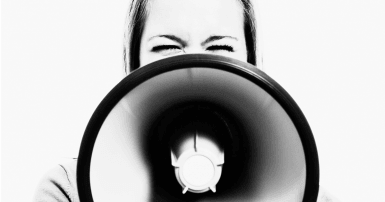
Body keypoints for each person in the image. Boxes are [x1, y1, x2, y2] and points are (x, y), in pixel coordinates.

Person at [33, 0, 338, 201]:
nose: (194, 64)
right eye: (168, 47)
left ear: (252, 60)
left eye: (220, 46)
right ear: (133, 62)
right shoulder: (70, 191)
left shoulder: (300, 192)